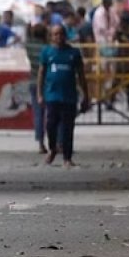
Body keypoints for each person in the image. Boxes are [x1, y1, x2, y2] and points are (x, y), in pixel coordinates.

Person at [37, 24, 91, 168]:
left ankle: (67, 157)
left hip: (69, 97)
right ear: (51, 37)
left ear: (65, 35)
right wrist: (40, 94)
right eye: (55, 34)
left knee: (68, 128)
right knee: (50, 126)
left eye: (61, 34)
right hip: (52, 96)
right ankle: (53, 148)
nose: (58, 37)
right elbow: (41, 74)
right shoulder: (47, 52)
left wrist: (86, 96)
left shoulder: (73, 53)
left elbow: (81, 76)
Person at [26, 24, 48, 153]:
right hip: (47, 83)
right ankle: (57, 142)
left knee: (38, 114)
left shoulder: (29, 47)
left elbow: (27, 39)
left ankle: (41, 143)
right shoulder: (47, 48)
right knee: (52, 114)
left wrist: (29, 31)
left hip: (33, 82)